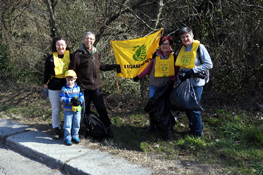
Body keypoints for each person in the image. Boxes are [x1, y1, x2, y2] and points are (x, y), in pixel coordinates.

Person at [69, 31, 121, 140]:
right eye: (87, 38)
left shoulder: (96, 53)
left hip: (96, 87)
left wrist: (113, 66)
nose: (89, 41)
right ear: (83, 39)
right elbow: (71, 71)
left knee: (101, 108)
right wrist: (73, 87)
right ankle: (87, 129)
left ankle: (107, 128)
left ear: (94, 40)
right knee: (84, 110)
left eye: (91, 39)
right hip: (83, 88)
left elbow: (100, 65)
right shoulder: (77, 54)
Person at [133, 36, 179, 133]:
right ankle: (152, 126)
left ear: (171, 45)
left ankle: (166, 127)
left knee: (166, 107)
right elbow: (148, 68)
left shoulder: (175, 57)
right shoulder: (155, 56)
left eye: (166, 44)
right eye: (162, 44)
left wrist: (172, 81)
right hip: (154, 86)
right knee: (152, 106)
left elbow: (177, 73)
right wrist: (139, 77)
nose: (164, 46)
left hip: (167, 87)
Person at [175, 27, 213, 137]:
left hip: (197, 83)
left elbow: (209, 64)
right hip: (184, 84)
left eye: (187, 36)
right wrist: (179, 78)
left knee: (194, 108)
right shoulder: (181, 50)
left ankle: (198, 133)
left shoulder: (200, 48)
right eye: (183, 37)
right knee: (187, 107)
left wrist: (193, 70)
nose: (185, 38)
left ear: (192, 36)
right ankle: (193, 129)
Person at [43, 36, 72, 139]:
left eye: (62, 45)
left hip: (68, 86)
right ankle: (56, 128)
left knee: (68, 109)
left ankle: (68, 129)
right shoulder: (50, 59)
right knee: (56, 109)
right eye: (58, 45)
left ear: (66, 45)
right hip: (54, 86)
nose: (60, 47)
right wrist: (45, 87)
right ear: (55, 46)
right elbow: (46, 74)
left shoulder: (71, 56)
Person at [60, 70, 84, 146]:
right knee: (68, 125)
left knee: (76, 123)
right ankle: (67, 138)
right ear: (66, 80)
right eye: (68, 80)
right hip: (68, 110)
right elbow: (61, 99)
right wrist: (70, 100)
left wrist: (80, 101)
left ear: (75, 79)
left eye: (71, 80)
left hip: (77, 110)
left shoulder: (78, 88)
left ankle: (75, 136)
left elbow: (81, 96)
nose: (70, 82)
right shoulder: (64, 89)